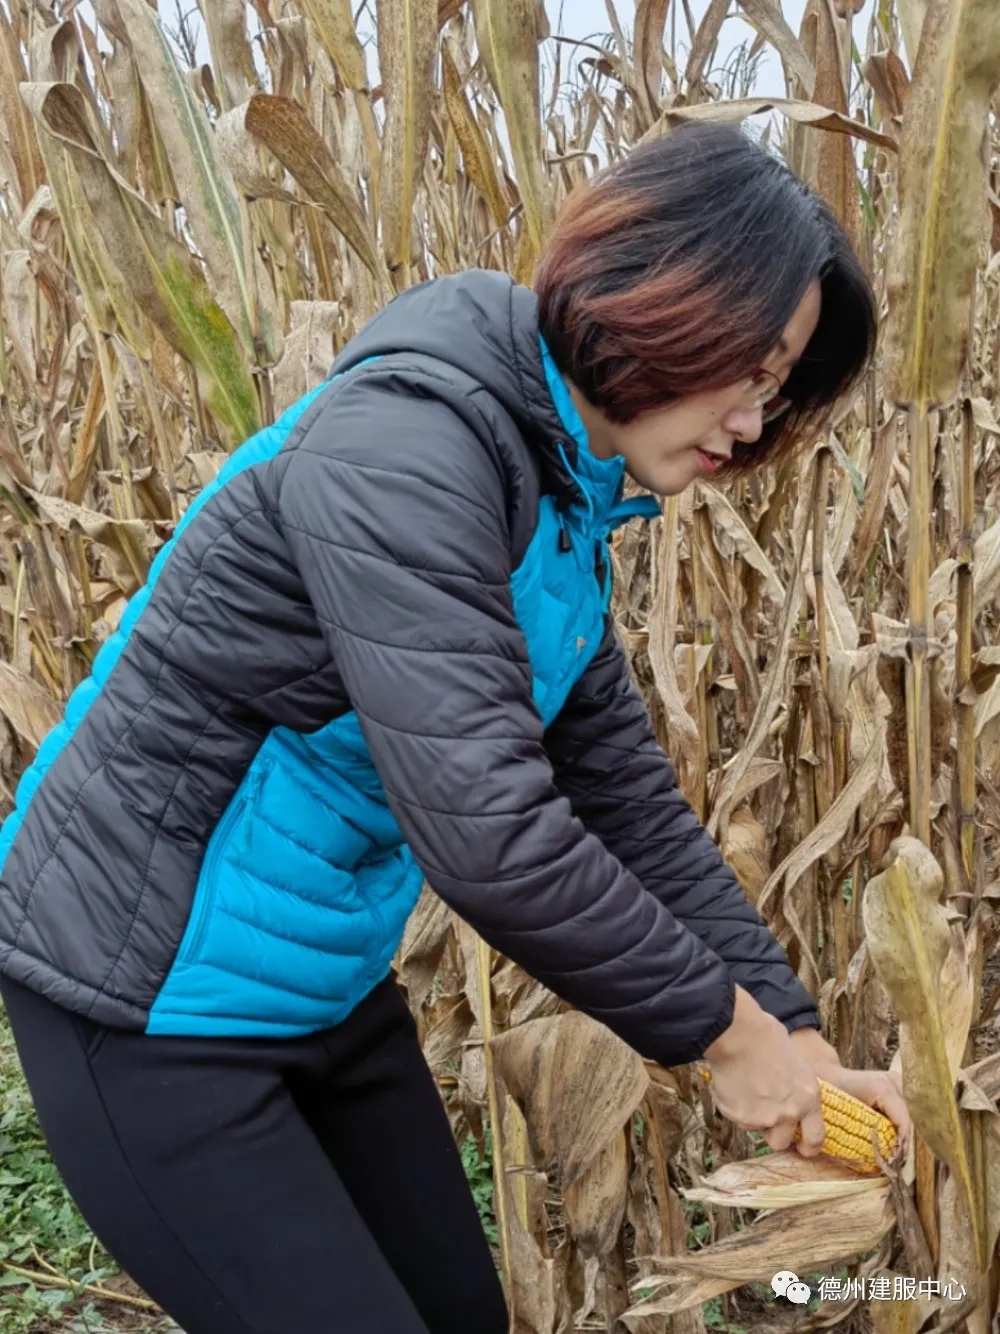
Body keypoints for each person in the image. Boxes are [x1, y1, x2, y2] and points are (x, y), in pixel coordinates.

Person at [0, 123, 909, 1334]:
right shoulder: (409, 449)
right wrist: (729, 1039)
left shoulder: (559, 490)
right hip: (142, 1002)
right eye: (749, 362)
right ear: (653, 283)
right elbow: (490, 829)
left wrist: (788, 1024)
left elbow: (620, 801)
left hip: (317, 985)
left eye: (780, 385)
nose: (756, 417)